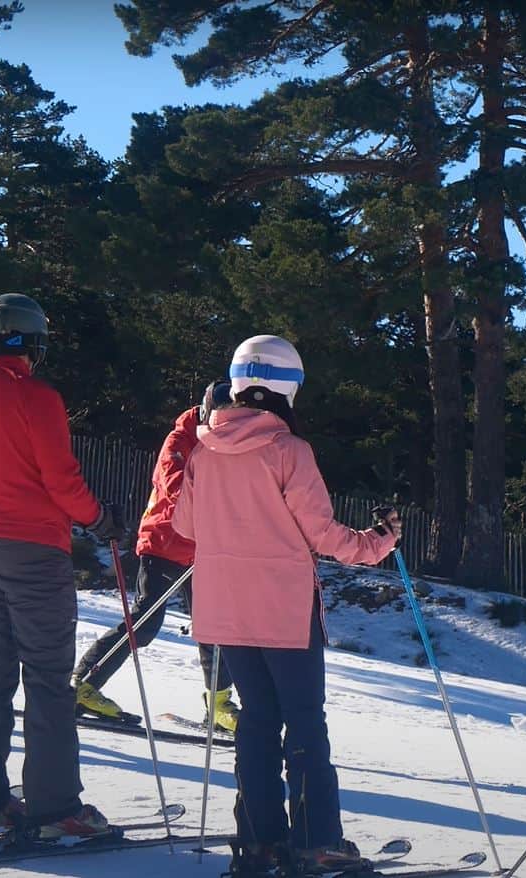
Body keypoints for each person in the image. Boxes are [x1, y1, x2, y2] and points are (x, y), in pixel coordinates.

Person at [173, 335, 401, 876]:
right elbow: (323, 535)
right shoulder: (288, 451)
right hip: (283, 611)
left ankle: (258, 844)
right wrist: (380, 540)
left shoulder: (204, 450)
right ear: (286, 387)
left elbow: (184, 525)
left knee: (255, 723)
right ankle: (317, 842)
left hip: (225, 610)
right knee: (303, 724)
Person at [0, 293, 122, 842]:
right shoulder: (37, 397)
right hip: (34, 552)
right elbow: (61, 478)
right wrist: (99, 519)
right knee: (46, 680)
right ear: (33, 342)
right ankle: (54, 807)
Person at [73, 380, 238, 731]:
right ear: (208, 411)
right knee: (145, 624)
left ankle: (220, 704)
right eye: (222, 418)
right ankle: (83, 684)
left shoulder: (232, 446)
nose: (226, 426)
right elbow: (175, 489)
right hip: (164, 542)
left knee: (214, 626)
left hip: (204, 552)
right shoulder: (180, 439)